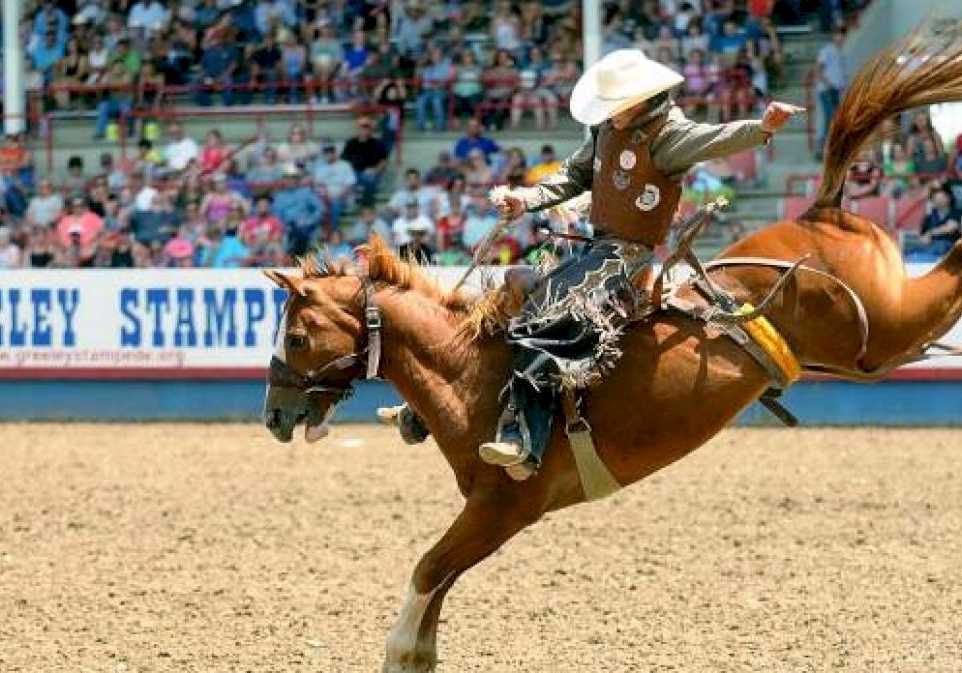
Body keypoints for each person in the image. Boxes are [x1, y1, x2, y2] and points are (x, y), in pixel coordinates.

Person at [388, 49, 802, 479]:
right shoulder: (605, 129)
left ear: (643, 100)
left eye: (617, 107)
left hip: (629, 255)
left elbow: (714, 138)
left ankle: (524, 437)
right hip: (595, 248)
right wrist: (525, 199)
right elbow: (573, 175)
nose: (611, 115)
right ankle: (428, 404)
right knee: (513, 285)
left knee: (549, 312)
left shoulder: (669, 136)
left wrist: (762, 127)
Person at [341, 116, 388, 206]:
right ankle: (348, 204)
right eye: (362, 127)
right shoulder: (351, 143)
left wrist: (374, 170)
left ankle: (366, 206)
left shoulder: (377, 143)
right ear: (358, 129)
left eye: (367, 127)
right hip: (353, 173)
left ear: (370, 129)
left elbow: (383, 162)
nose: (364, 130)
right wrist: (348, 172)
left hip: (369, 173)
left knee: (370, 179)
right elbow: (344, 161)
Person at [814, 29, 847, 153]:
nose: (841, 38)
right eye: (838, 35)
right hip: (827, 89)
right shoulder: (827, 50)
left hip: (835, 90)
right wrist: (828, 84)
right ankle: (823, 147)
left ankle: (831, 146)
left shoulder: (841, 52)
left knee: (835, 118)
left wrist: (841, 87)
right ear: (834, 36)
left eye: (842, 35)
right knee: (830, 116)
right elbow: (818, 69)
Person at [914, 186, 961, 256]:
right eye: (935, 199)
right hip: (931, 247)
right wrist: (924, 239)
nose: (938, 201)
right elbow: (922, 235)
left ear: (949, 199)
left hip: (951, 247)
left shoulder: (956, 213)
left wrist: (930, 233)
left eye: (941, 198)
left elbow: (950, 228)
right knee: (913, 252)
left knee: (941, 245)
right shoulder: (929, 217)